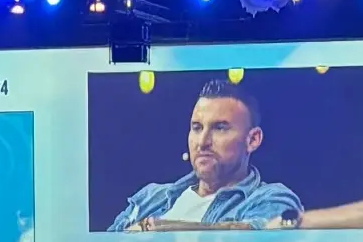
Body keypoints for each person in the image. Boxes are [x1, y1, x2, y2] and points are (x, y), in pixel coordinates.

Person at [109, 77, 308, 230]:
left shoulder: (272, 198)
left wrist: (153, 230)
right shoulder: (152, 196)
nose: (203, 142)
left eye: (220, 128)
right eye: (196, 128)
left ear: (252, 140)